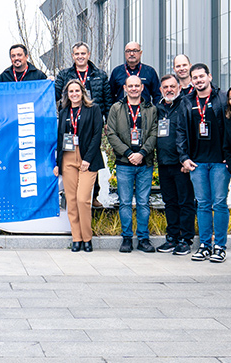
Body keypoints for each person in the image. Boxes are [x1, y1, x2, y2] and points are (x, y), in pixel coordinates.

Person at [177, 64, 231, 263]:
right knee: (202, 204)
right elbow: (181, 131)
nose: (199, 80)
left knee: (219, 203)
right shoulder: (186, 101)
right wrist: (184, 157)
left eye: (202, 76)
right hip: (197, 162)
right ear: (191, 80)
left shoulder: (222, 98)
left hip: (219, 162)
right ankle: (205, 245)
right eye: (195, 77)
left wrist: (230, 155)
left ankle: (220, 246)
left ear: (209, 76)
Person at [105, 75, 158, 253]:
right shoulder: (116, 108)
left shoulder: (151, 109)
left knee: (143, 202)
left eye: (137, 85)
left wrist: (142, 153)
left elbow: (154, 133)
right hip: (124, 163)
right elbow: (111, 134)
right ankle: (127, 238)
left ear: (142, 87)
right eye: (130, 86)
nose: (134, 88)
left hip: (145, 163)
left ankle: (143, 239)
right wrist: (128, 153)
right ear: (125, 88)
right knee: (125, 202)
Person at [54, 79, 104, 252]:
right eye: (71, 91)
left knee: (83, 199)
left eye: (77, 91)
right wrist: (57, 164)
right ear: (67, 95)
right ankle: (76, 238)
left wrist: (87, 159)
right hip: (68, 158)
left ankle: (87, 238)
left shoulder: (93, 109)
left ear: (83, 92)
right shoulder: (64, 111)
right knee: (72, 200)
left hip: (87, 159)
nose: (74, 94)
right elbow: (60, 138)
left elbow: (97, 135)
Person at [154, 73, 195, 255]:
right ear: (161, 90)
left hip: (181, 164)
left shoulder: (186, 105)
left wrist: (186, 159)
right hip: (164, 163)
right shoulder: (159, 108)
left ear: (179, 87)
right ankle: (172, 237)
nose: (169, 90)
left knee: (185, 202)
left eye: (172, 86)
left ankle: (186, 239)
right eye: (165, 87)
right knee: (169, 202)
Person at [54, 42, 110, 118]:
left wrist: (108, 121)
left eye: (83, 53)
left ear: (88, 55)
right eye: (77, 54)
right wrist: (49, 83)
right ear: (73, 56)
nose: (80, 56)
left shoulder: (100, 75)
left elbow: (108, 101)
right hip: (71, 118)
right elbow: (55, 95)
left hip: (94, 118)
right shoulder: (64, 75)